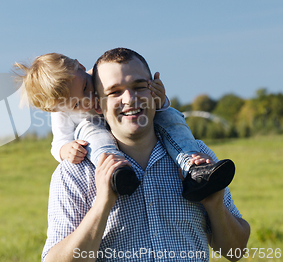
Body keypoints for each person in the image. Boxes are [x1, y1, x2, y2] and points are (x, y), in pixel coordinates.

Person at [41, 48, 250, 262]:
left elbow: (236, 251)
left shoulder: (198, 159)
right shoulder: (75, 172)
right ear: (97, 103)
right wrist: (101, 205)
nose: (130, 99)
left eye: (140, 86)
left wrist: (215, 205)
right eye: (114, 92)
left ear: (155, 89)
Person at [14, 53, 234, 201]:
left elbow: (138, 97)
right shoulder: (61, 112)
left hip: (138, 121)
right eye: (76, 104)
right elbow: (58, 143)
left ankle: (192, 164)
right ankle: (117, 173)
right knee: (91, 130)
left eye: (85, 87)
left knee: (170, 117)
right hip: (101, 136)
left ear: (81, 67)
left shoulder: (103, 74)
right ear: (58, 110)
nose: (89, 99)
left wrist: (159, 99)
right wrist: (65, 150)